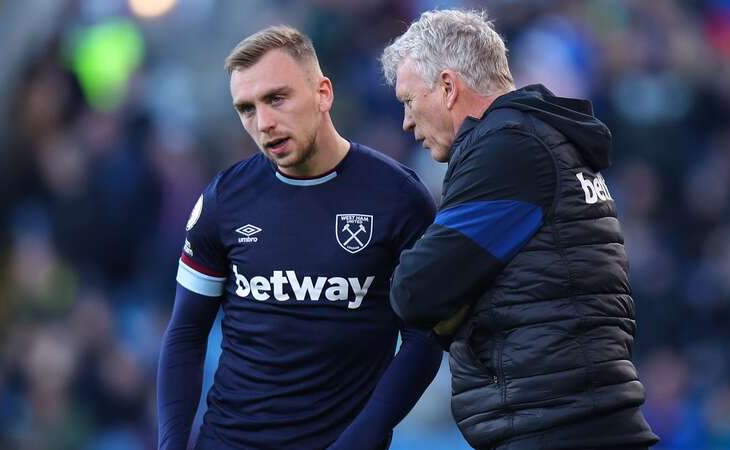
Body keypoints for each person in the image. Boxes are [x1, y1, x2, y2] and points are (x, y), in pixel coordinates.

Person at [382, 9, 660, 450]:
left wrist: (453, 301)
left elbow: (415, 291)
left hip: (556, 426)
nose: (406, 122)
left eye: (409, 100)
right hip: (576, 419)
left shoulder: (509, 149)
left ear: (448, 88)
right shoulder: (546, 140)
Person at [157, 26, 442, 450]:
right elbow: (185, 331)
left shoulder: (399, 200)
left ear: (323, 93)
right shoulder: (224, 200)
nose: (264, 122)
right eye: (247, 108)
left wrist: (363, 435)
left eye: (276, 98)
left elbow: (424, 338)